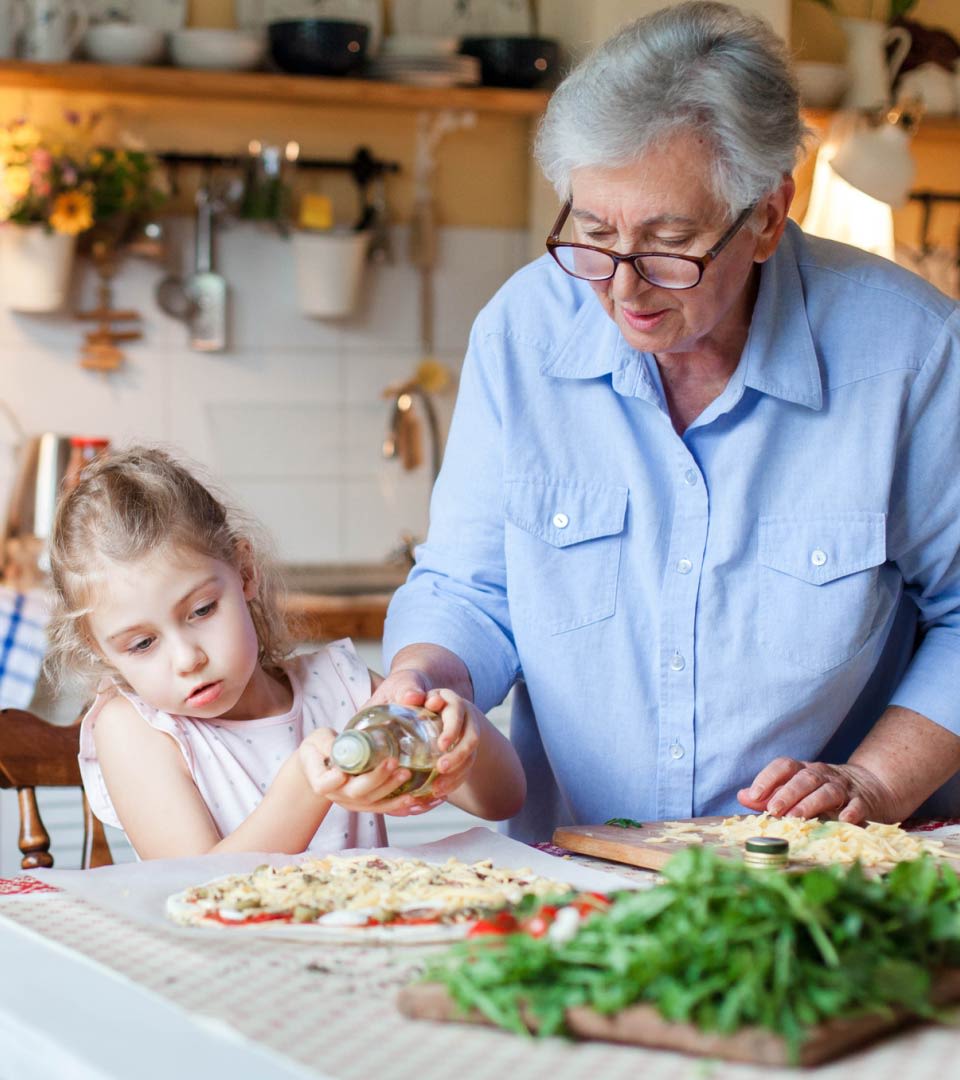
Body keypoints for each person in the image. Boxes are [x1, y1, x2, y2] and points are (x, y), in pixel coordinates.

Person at [353, 0, 960, 842]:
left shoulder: (909, 352)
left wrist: (873, 781)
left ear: (766, 218)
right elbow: (469, 585)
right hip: (572, 872)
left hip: (812, 880)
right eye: (594, 232)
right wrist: (422, 683)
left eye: (669, 244)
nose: (622, 290)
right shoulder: (524, 331)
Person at [46, 446, 524, 860]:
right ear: (100, 647)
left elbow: (504, 799)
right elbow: (194, 884)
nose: (186, 658)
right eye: (143, 644)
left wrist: (458, 731)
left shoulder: (339, 687)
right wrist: (304, 787)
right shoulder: (136, 730)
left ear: (245, 571)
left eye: (202, 610)